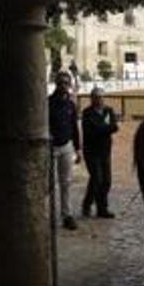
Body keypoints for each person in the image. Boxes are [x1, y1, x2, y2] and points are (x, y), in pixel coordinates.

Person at [48, 71, 82, 230]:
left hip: (67, 145)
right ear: (56, 84)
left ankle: (66, 214)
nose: (64, 86)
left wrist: (78, 148)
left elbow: (74, 127)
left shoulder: (70, 105)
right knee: (48, 183)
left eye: (66, 83)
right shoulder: (48, 103)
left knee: (66, 182)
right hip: (51, 147)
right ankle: (47, 213)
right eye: (61, 83)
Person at [81, 86, 119, 218]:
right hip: (91, 151)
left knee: (107, 180)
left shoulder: (108, 110)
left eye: (101, 97)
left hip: (105, 151)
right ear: (92, 99)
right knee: (97, 178)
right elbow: (91, 131)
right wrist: (105, 128)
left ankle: (102, 208)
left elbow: (114, 127)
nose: (99, 100)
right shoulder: (87, 113)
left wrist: (101, 127)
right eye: (96, 97)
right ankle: (88, 204)